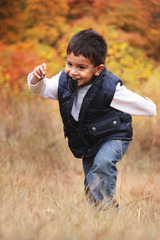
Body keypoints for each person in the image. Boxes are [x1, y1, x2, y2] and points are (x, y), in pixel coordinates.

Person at [27, 29, 156, 209]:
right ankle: (97, 217)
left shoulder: (109, 88)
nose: (73, 71)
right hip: (88, 140)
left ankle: (108, 212)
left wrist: (149, 107)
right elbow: (41, 89)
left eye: (81, 67)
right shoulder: (63, 81)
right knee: (92, 180)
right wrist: (36, 78)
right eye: (69, 64)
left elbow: (135, 102)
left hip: (114, 135)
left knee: (102, 164)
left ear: (98, 69)